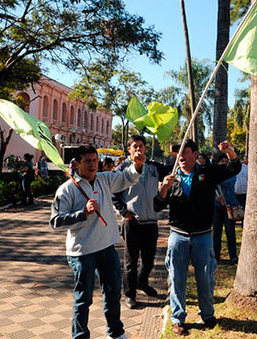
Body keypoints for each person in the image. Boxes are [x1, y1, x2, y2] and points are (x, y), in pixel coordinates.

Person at [50, 145, 145, 339]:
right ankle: (80, 336)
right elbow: (55, 222)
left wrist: (137, 164)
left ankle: (116, 333)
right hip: (82, 252)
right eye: (88, 161)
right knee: (83, 299)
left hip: (107, 247)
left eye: (95, 160)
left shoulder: (104, 179)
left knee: (112, 294)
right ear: (77, 164)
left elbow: (127, 178)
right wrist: (82, 213)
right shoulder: (67, 189)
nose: (93, 164)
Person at [154, 139, 241, 336]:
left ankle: (208, 315)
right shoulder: (171, 176)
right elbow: (157, 205)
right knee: (177, 278)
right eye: (178, 153)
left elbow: (234, 168)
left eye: (186, 152)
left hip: (203, 236)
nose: (181, 156)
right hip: (178, 236)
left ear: (195, 154)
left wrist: (229, 152)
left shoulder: (207, 173)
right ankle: (178, 319)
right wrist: (163, 189)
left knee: (205, 277)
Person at [113, 135, 169, 309]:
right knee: (131, 261)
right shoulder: (122, 169)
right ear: (129, 150)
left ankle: (142, 282)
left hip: (151, 222)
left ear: (145, 149)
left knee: (149, 260)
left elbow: (171, 169)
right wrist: (124, 212)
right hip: (132, 222)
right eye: (135, 146)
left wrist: (178, 152)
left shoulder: (153, 167)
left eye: (141, 146)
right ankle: (130, 294)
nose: (139, 149)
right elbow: (112, 194)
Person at [212, 153, 239, 264]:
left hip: (230, 206)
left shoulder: (231, 173)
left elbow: (230, 183)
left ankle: (233, 256)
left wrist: (217, 180)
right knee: (216, 233)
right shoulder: (215, 173)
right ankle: (216, 256)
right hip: (217, 206)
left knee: (230, 233)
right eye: (221, 162)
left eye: (225, 161)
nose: (223, 164)